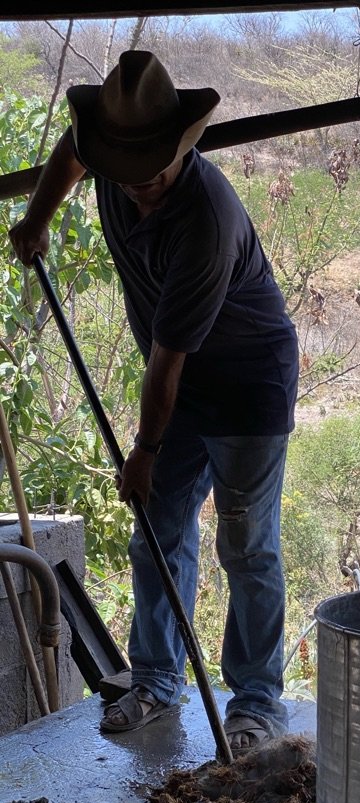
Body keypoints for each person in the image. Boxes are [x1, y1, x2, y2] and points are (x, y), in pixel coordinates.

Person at [9, 51, 299, 753]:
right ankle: (157, 682)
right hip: (179, 386)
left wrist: (142, 452)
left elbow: (167, 365)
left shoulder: (207, 220)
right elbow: (71, 154)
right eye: (126, 176)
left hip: (247, 384)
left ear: (182, 151)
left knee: (246, 545)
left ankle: (256, 702)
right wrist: (37, 219)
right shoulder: (109, 154)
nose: (139, 188)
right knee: (156, 535)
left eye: (155, 176)